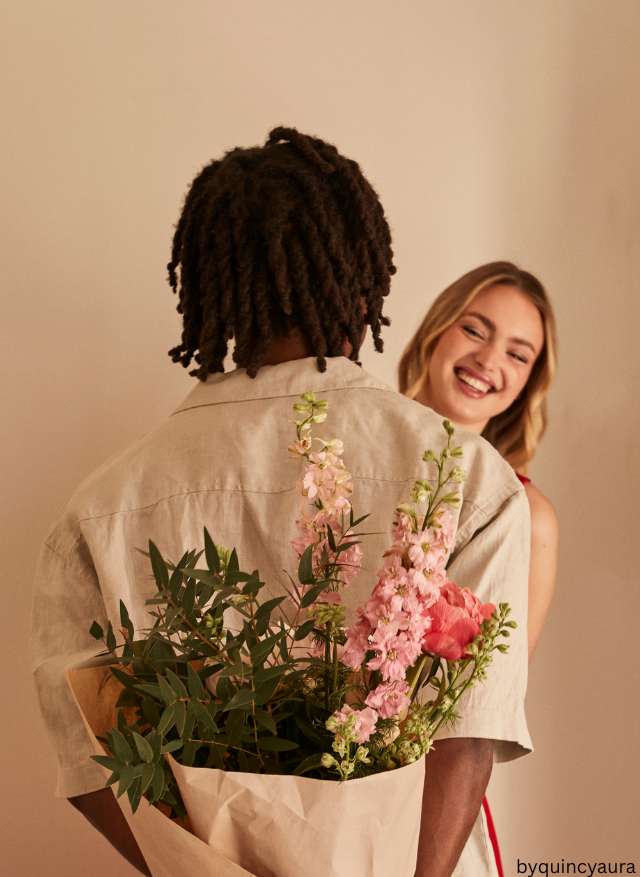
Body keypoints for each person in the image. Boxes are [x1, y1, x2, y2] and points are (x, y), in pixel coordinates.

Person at [31, 130, 532, 877]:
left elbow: (91, 760)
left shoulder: (98, 509)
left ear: (207, 282)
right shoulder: (468, 477)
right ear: (363, 278)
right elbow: (466, 736)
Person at [398, 261, 560, 874]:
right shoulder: (343, 456)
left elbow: (483, 702)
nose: (490, 360)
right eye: (475, 330)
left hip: (428, 823)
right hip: (305, 780)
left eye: (519, 354)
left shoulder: (528, 514)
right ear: (436, 331)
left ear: (529, 382)